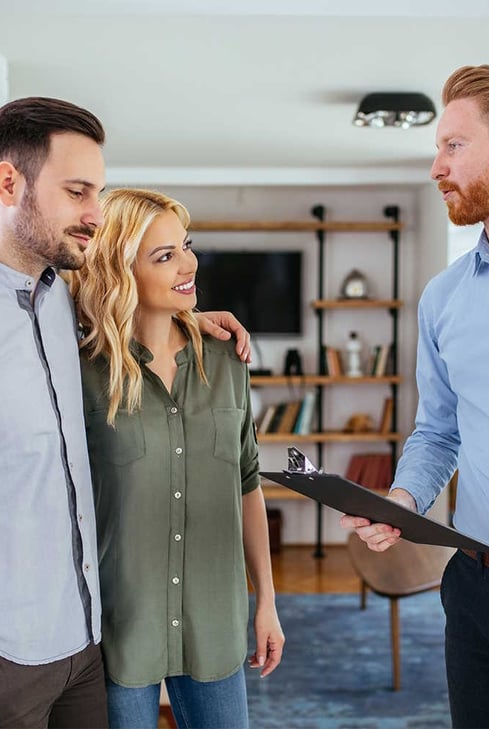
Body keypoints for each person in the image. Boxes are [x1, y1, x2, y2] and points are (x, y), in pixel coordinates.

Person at [0, 96, 252, 729]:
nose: (94, 213)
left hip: (87, 644)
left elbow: (126, 300)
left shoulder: (61, 301)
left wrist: (191, 318)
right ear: (10, 182)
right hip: (45, 642)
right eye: (78, 191)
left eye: (99, 193)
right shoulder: (75, 334)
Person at [341, 64, 489, 728]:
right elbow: (438, 430)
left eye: (454, 146)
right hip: (477, 591)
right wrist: (402, 502)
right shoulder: (443, 297)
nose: (437, 165)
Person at [67, 187, 284, 729]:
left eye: (186, 246)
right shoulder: (82, 371)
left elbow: (247, 482)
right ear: (122, 272)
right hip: (119, 631)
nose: (188, 263)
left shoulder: (227, 360)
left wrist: (266, 603)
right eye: (163, 256)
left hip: (216, 623)